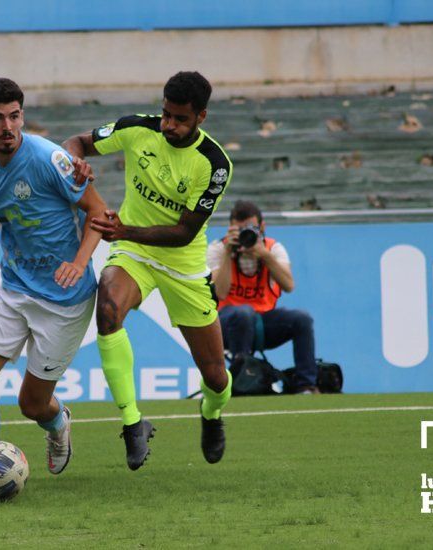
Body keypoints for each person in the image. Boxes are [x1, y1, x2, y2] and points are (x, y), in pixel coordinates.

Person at [0, 78, 107, 491]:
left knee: (32, 404)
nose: (7, 125)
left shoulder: (51, 159)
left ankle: (57, 422)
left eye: (14, 116)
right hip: (14, 289)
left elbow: (98, 212)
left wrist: (79, 261)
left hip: (65, 300)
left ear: (22, 117)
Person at [62, 71, 233, 470]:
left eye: (180, 119)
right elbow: (78, 142)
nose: (169, 125)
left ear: (201, 117)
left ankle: (210, 414)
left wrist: (124, 228)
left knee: (217, 377)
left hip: (183, 264)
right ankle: (132, 423)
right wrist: (75, 163)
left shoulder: (214, 164)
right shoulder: (137, 129)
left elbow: (184, 232)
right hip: (134, 250)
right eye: (166, 115)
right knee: (107, 312)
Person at [208, 200, 319, 394]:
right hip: (226, 324)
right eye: (240, 230)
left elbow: (289, 285)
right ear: (231, 229)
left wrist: (265, 256)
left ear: (262, 227)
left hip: (263, 322)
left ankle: (306, 385)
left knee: (302, 319)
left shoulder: (273, 248)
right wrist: (228, 253)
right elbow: (220, 293)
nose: (245, 234)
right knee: (243, 313)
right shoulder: (218, 248)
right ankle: (242, 381)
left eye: (250, 229)